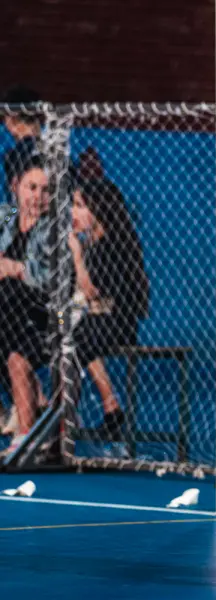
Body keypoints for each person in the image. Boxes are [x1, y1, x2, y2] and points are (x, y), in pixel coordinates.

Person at [69, 179, 150, 440]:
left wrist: (77, 256)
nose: (72, 212)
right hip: (93, 322)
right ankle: (109, 406)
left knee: (70, 335)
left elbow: (91, 292)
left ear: (98, 210)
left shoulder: (111, 246)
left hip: (115, 324)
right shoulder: (93, 245)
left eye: (79, 205)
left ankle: (65, 415)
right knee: (61, 327)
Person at [0, 145, 54, 455]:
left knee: (16, 352)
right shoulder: (6, 216)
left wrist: (17, 268)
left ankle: (26, 424)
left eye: (45, 190)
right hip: (10, 312)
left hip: (48, 315)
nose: (37, 196)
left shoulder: (52, 229)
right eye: (31, 187)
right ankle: (29, 404)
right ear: (15, 186)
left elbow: (53, 281)